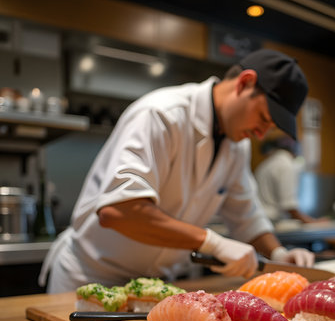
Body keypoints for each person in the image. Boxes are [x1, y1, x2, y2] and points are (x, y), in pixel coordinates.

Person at [40, 48, 315, 293]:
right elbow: (119, 211)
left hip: (155, 288)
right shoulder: (161, 115)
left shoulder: (236, 146)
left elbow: (246, 216)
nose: (261, 133)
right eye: (264, 118)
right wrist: (211, 243)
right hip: (90, 279)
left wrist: (278, 253)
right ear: (245, 83)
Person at [255, 135, 327, 224]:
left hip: (261, 220)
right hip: (273, 222)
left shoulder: (265, 164)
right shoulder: (286, 165)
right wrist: (312, 222)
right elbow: (289, 206)